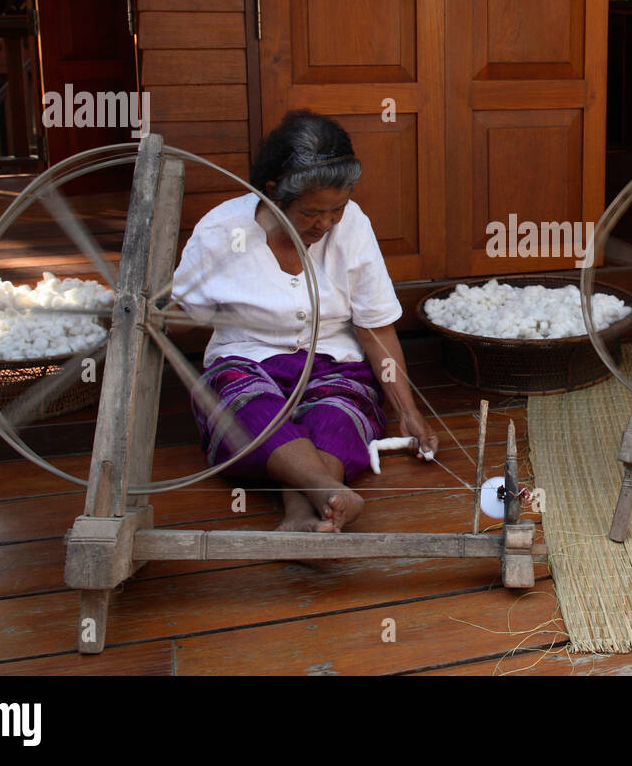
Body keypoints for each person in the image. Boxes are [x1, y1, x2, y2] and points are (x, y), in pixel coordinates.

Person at [171, 111, 438, 531]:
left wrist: (408, 411)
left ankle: (300, 515)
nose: (327, 223)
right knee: (247, 408)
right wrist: (150, 313)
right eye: (312, 212)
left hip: (332, 362)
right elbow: (182, 317)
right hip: (246, 361)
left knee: (338, 415)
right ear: (274, 193)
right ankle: (326, 489)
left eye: (337, 209)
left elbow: (374, 328)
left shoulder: (353, 226)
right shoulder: (222, 230)